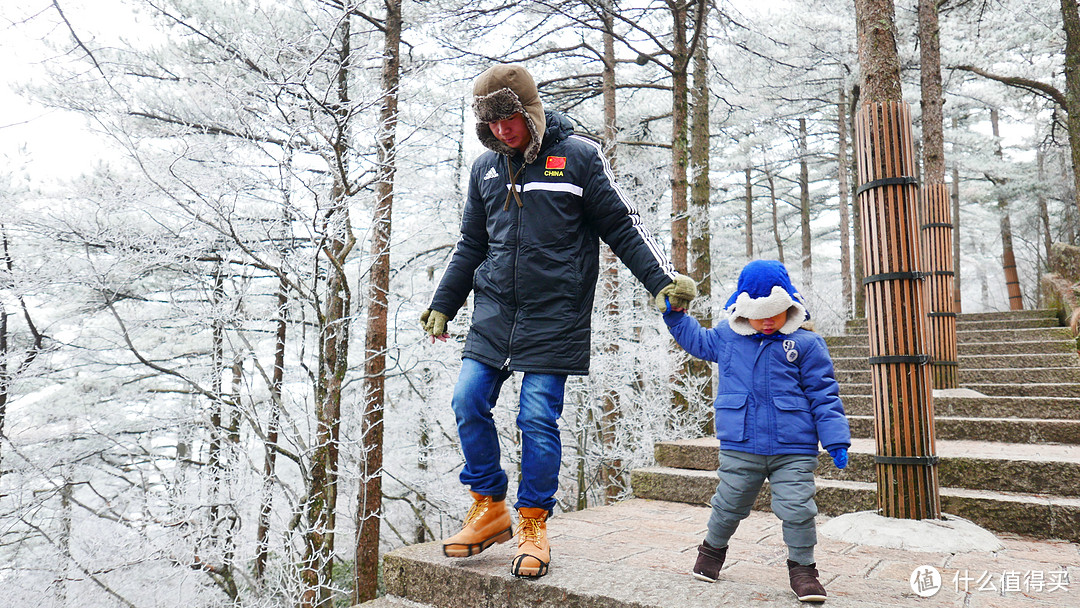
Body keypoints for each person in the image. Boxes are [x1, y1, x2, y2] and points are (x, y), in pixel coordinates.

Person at [420, 63, 695, 579]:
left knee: (537, 417)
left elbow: (623, 226)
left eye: (510, 118)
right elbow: (471, 245)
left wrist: (660, 280)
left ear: (530, 111)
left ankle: (532, 521)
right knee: (466, 399)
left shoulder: (577, 157)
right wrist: (444, 302)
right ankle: (488, 505)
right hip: (495, 312)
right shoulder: (485, 169)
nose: (502, 129)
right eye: (491, 122)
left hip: (556, 316)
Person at [661, 259, 850, 603]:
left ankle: (804, 570)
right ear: (742, 308)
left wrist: (835, 438)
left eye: (774, 313)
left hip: (792, 447)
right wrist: (676, 315)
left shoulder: (806, 345)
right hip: (741, 444)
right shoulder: (727, 337)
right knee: (728, 503)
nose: (766, 321)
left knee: (798, 508)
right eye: (758, 313)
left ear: (790, 306)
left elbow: (824, 394)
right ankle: (711, 553)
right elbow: (696, 340)